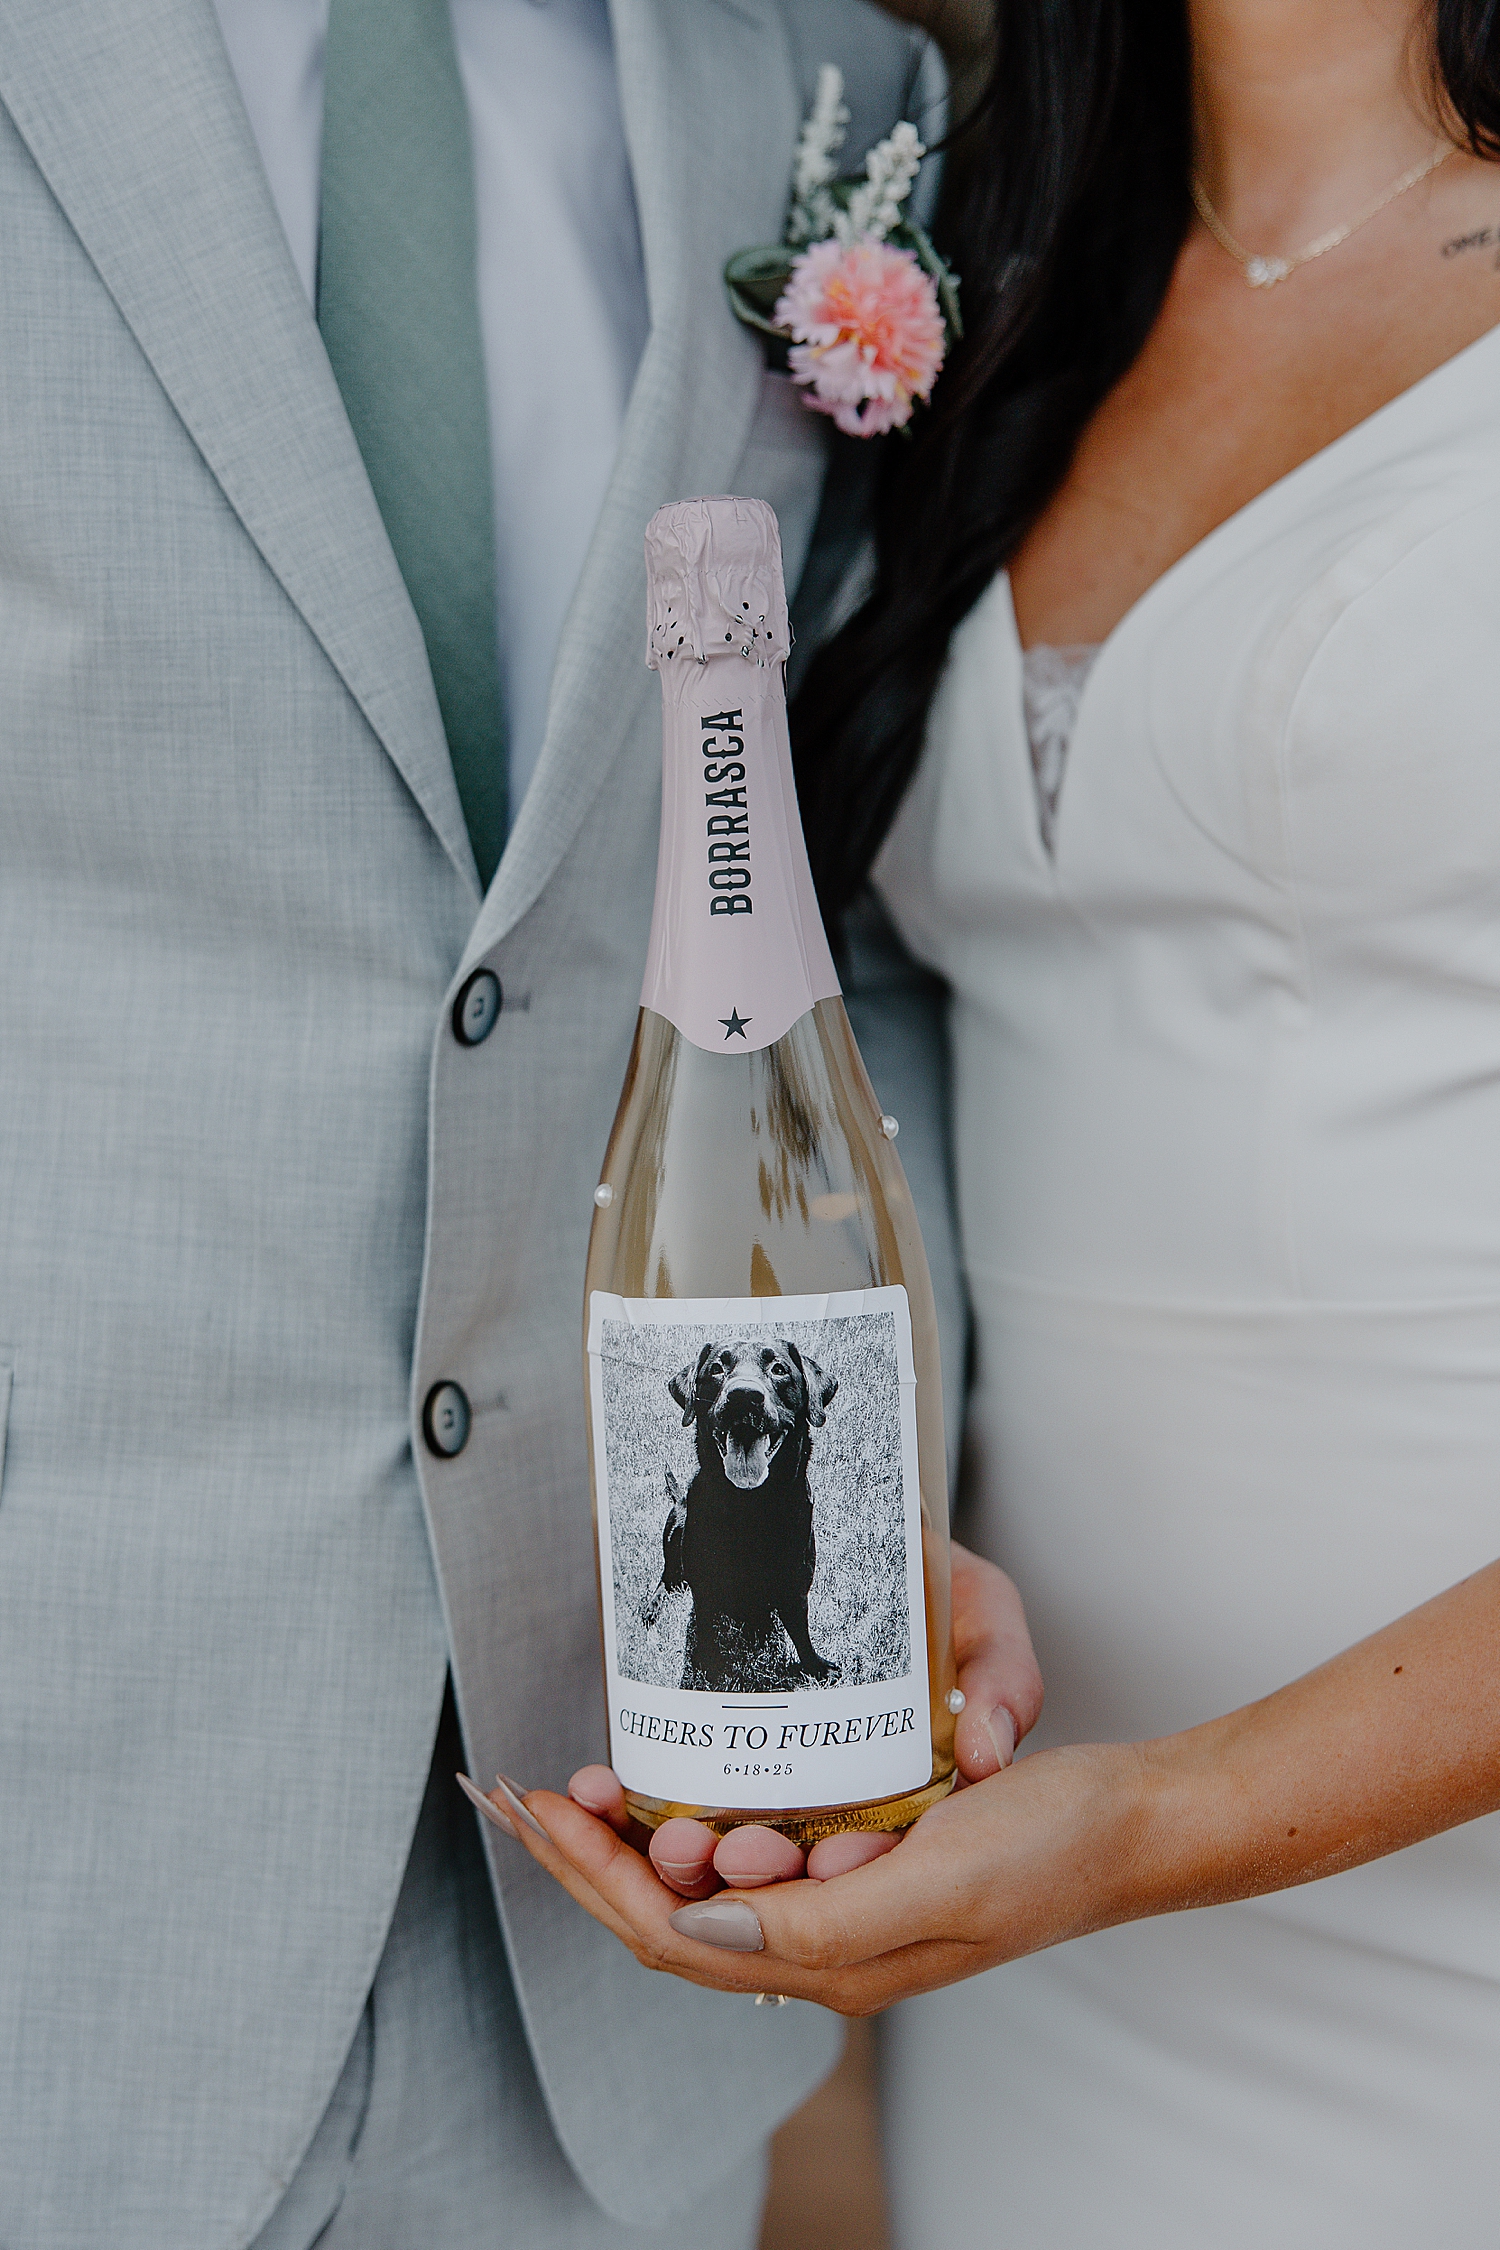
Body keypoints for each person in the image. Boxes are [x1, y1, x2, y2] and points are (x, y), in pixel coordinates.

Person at [0, 4, 1049, 2246]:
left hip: (623, 1904)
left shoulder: (819, 98)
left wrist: (881, 1504)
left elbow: (847, 924)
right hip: (57, 1867)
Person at [500, 1, 1500, 2240]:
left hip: (1423, 1884)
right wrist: (858, 1547)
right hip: (1025, 1890)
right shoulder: (988, 263)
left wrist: (1183, 1815)